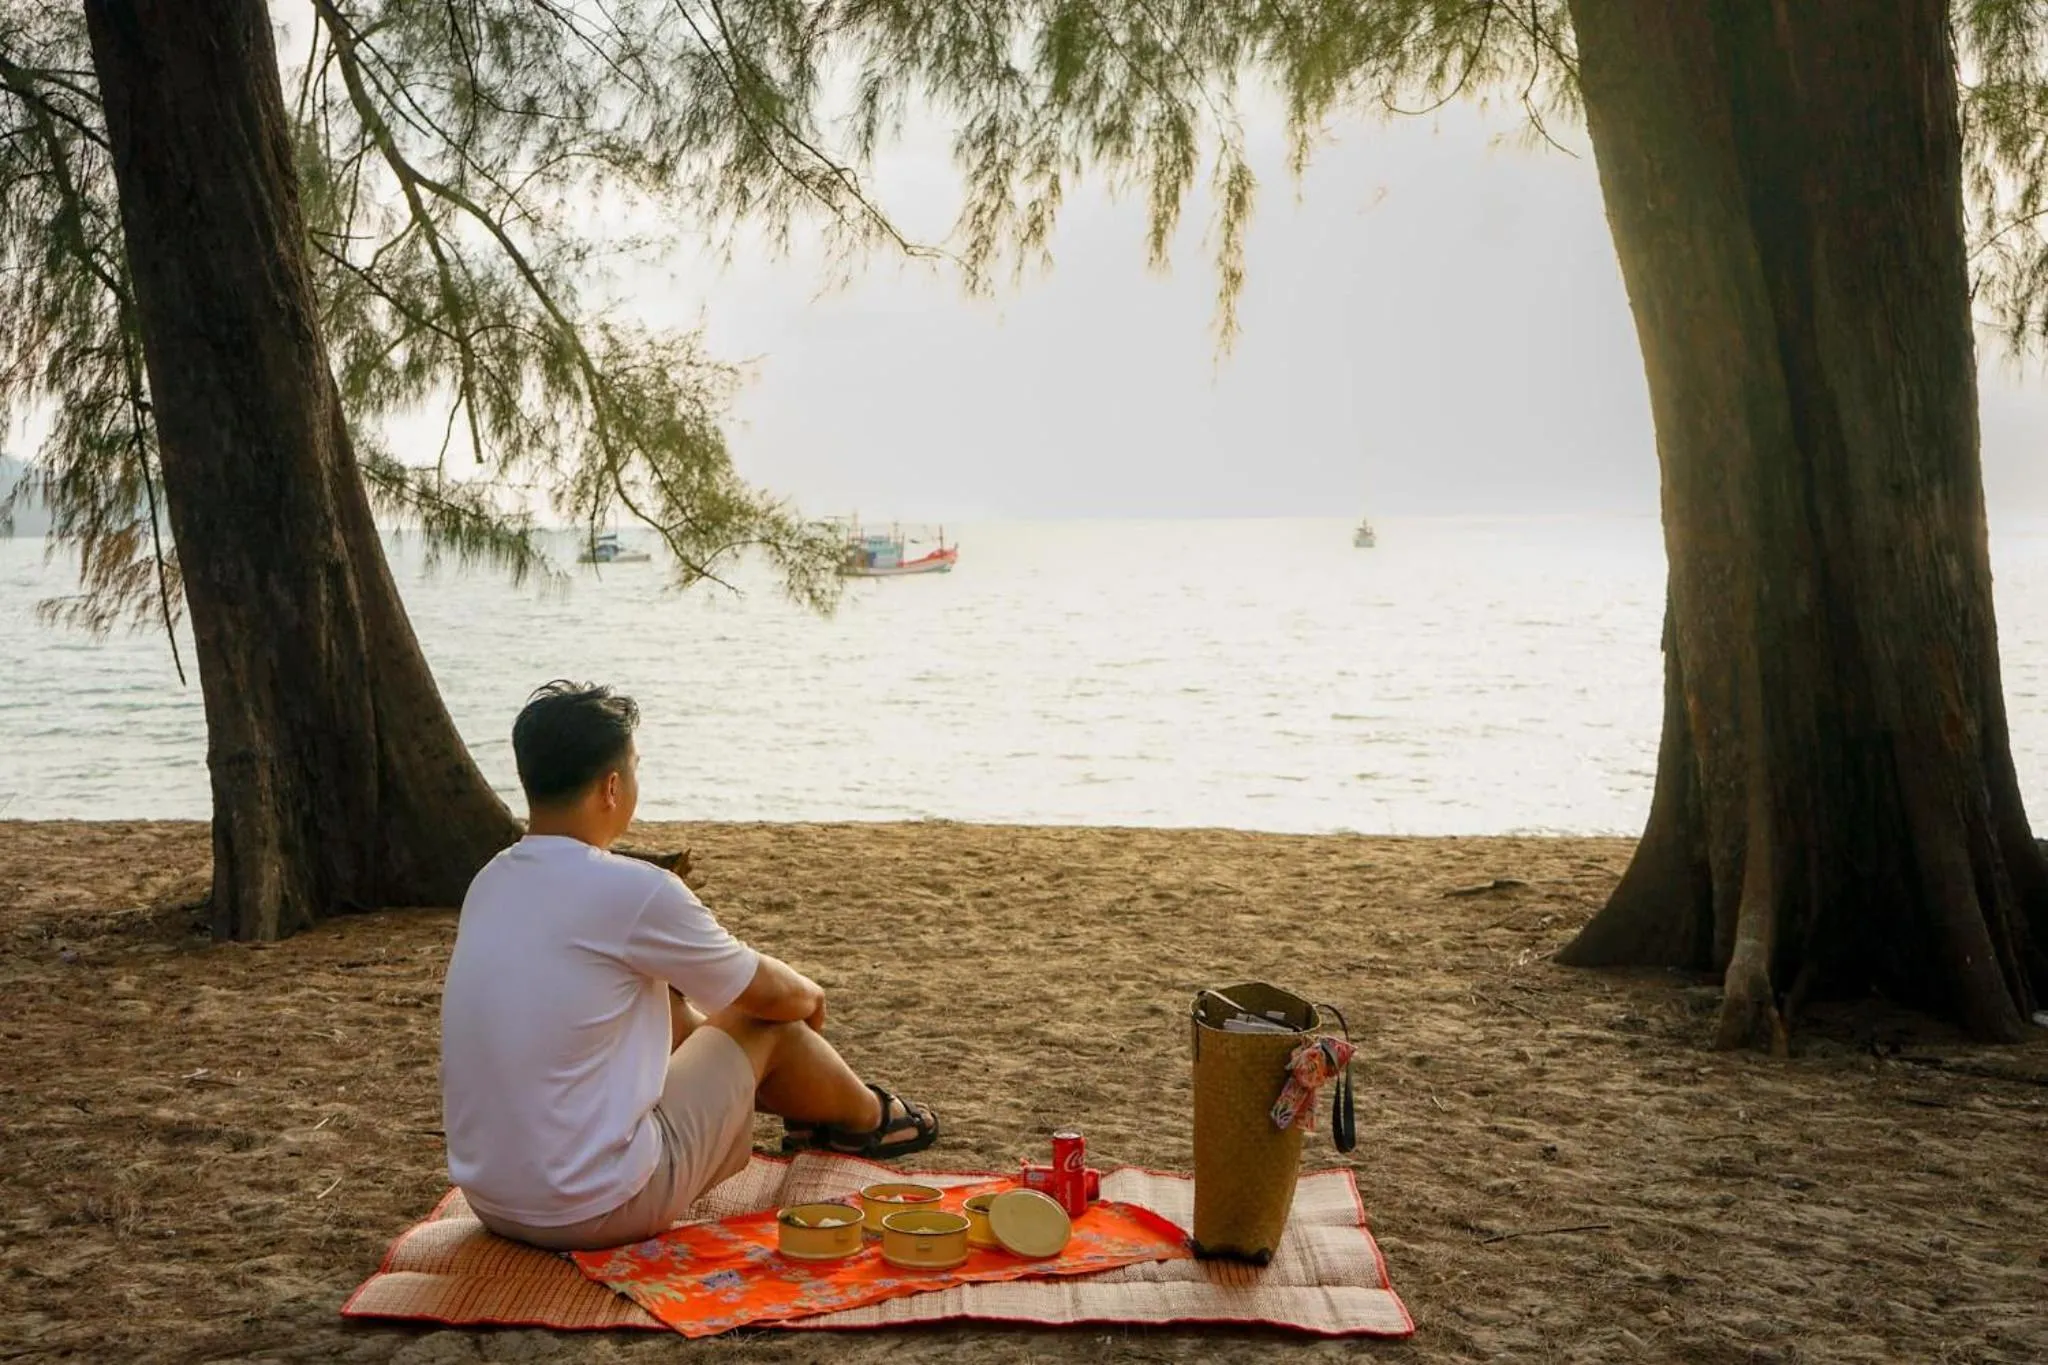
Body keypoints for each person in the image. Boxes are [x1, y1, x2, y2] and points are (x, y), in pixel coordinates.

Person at [439, 680, 940, 1252]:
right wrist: (810, 994)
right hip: (597, 1208)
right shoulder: (633, 890)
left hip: (497, 1202)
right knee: (763, 1022)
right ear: (611, 787)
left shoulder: (491, 881)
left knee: (671, 1004)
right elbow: (767, 996)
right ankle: (870, 1118)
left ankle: (821, 1115)